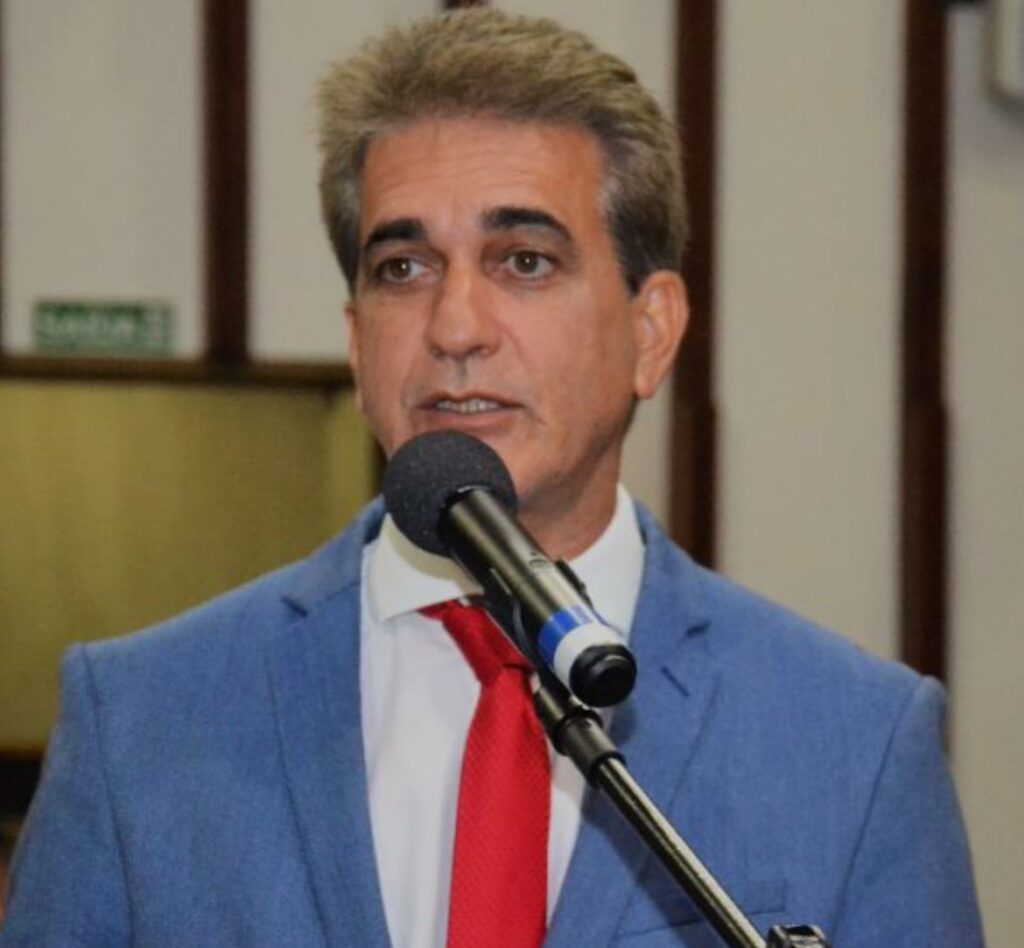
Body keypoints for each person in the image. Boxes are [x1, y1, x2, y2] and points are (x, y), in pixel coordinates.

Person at [0, 8, 983, 947]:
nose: (456, 327)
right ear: (357, 344)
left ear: (651, 333)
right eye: (403, 268)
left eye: (524, 260)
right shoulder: (140, 721)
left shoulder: (854, 744)